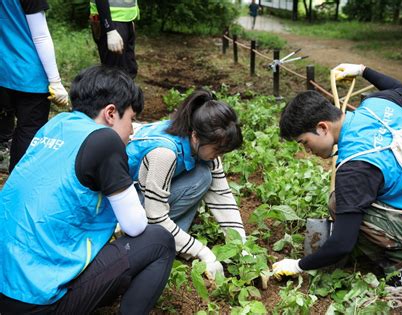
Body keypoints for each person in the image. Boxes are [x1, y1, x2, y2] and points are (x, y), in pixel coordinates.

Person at [273, 63, 402, 291]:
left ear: (322, 127)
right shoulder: (377, 105)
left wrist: (299, 265)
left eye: (304, 143)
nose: (308, 151)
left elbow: (342, 243)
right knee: (353, 200)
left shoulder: (355, 167)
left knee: (339, 203)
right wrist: (361, 70)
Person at [0, 65, 175, 314]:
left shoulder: (56, 124)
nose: (131, 131)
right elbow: (135, 226)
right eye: (131, 120)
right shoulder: (105, 140)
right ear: (111, 113)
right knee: (159, 241)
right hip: (35, 301)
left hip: (6, 284)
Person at [127, 88, 247, 280]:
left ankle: (174, 242)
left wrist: (242, 248)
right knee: (200, 178)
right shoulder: (163, 154)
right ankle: (156, 243)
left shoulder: (202, 141)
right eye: (217, 149)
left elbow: (222, 197)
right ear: (195, 136)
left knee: (203, 176)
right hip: (125, 209)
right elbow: (155, 217)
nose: (219, 155)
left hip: (147, 195)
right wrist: (203, 252)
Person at [0, 0, 69, 173]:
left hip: (3, 70)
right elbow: (41, 35)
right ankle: (17, 187)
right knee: (28, 131)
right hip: (28, 73)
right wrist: (55, 82)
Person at [90, 0, 139, 79]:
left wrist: (129, 21)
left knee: (129, 71)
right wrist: (110, 30)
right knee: (114, 76)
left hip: (125, 21)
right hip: (111, 22)